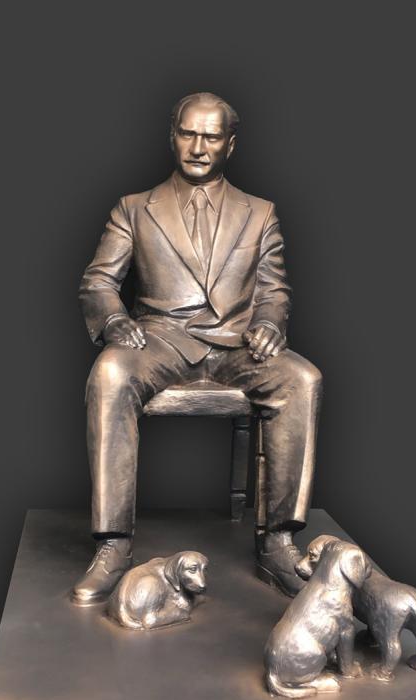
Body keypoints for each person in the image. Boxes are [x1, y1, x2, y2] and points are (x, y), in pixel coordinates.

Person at [72, 92, 322, 605]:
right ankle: (113, 545)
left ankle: (277, 543)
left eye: (211, 136)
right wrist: (115, 319)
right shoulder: (134, 208)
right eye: (188, 133)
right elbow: (98, 281)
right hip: (159, 338)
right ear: (173, 136)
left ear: (230, 144)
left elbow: (274, 291)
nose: (199, 147)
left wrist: (269, 322)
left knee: (303, 379)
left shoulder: (260, 213)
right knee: (110, 373)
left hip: (236, 343)